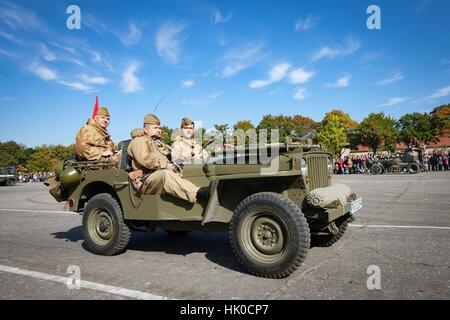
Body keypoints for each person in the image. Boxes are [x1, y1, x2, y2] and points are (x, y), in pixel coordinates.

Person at [127, 114, 210, 204]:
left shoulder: (158, 143)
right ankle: (199, 194)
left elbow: (172, 160)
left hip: (161, 176)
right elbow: (145, 159)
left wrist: (181, 161)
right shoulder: (139, 141)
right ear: (145, 129)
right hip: (146, 179)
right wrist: (166, 165)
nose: (158, 130)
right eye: (155, 128)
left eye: (159, 128)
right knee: (165, 174)